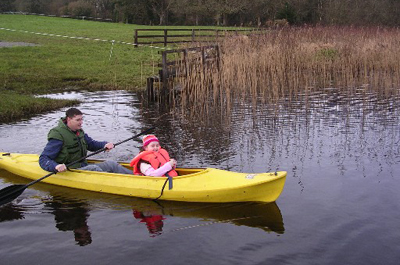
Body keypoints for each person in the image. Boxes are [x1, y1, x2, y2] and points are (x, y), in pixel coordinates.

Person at [39, 108, 132, 174]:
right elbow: (44, 159)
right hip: (70, 170)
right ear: (68, 119)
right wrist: (56, 166)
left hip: (82, 165)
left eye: (81, 119)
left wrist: (104, 145)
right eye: (78, 120)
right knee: (94, 168)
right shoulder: (58, 135)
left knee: (111, 164)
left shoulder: (78, 131)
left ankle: (137, 177)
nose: (81, 122)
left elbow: (91, 144)